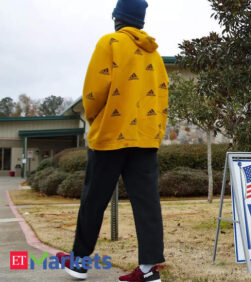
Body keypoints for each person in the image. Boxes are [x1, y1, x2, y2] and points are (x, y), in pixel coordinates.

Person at [57, 0, 168, 281]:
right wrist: (154, 132)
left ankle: (79, 262)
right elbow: (163, 98)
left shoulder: (110, 43)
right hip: (144, 139)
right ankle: (148, 270)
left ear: (117, 17)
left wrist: (95, 119)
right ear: (141, 21)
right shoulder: (154, 55)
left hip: (111, 136)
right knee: (147, 204)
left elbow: (93, 92)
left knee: (94, 199)